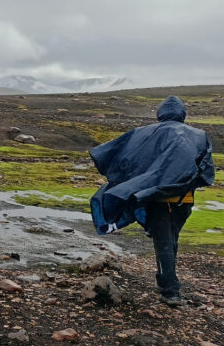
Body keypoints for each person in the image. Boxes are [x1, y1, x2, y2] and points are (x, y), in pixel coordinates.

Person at [88, 96, 214, 306]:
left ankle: (169, 290)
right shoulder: (199, 136)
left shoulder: (144, 133)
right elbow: (206, 169)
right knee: (171, 239)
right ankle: (168, 284)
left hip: (155, 198)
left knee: (163, 241)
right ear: (183, 114)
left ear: (160, 113)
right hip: (184, 199)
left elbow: (124, 155)